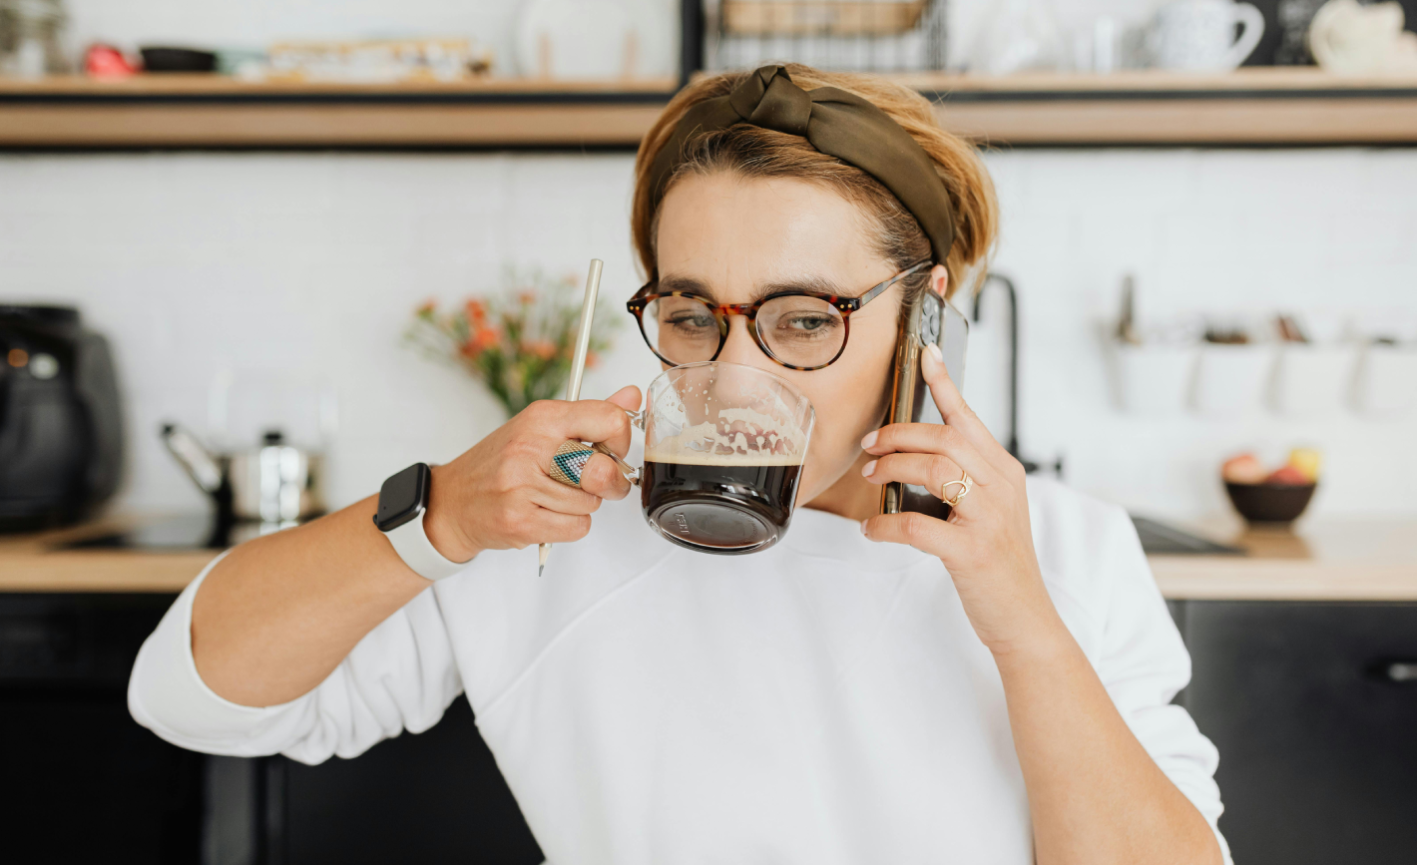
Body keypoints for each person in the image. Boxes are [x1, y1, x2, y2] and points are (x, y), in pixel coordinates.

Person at [129, 64, 1229, 864]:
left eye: (804, 321)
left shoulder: (1066, 551)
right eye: (696, 314)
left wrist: (1021, 620)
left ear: (926, 316)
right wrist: (441, 519)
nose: (737, 375)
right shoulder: (548, 535)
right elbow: (191, 698)